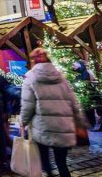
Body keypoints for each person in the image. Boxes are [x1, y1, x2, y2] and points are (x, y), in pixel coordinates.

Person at [21, 48, 84, 177]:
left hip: (42, 126)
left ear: (33, 61)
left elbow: (28, 104)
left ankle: (49, 173)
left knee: (44, 159)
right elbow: (73, 100)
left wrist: (23, 121)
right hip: (63, 125)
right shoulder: (60, 76)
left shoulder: (30, 77)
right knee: (62, 162)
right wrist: (79, 120)